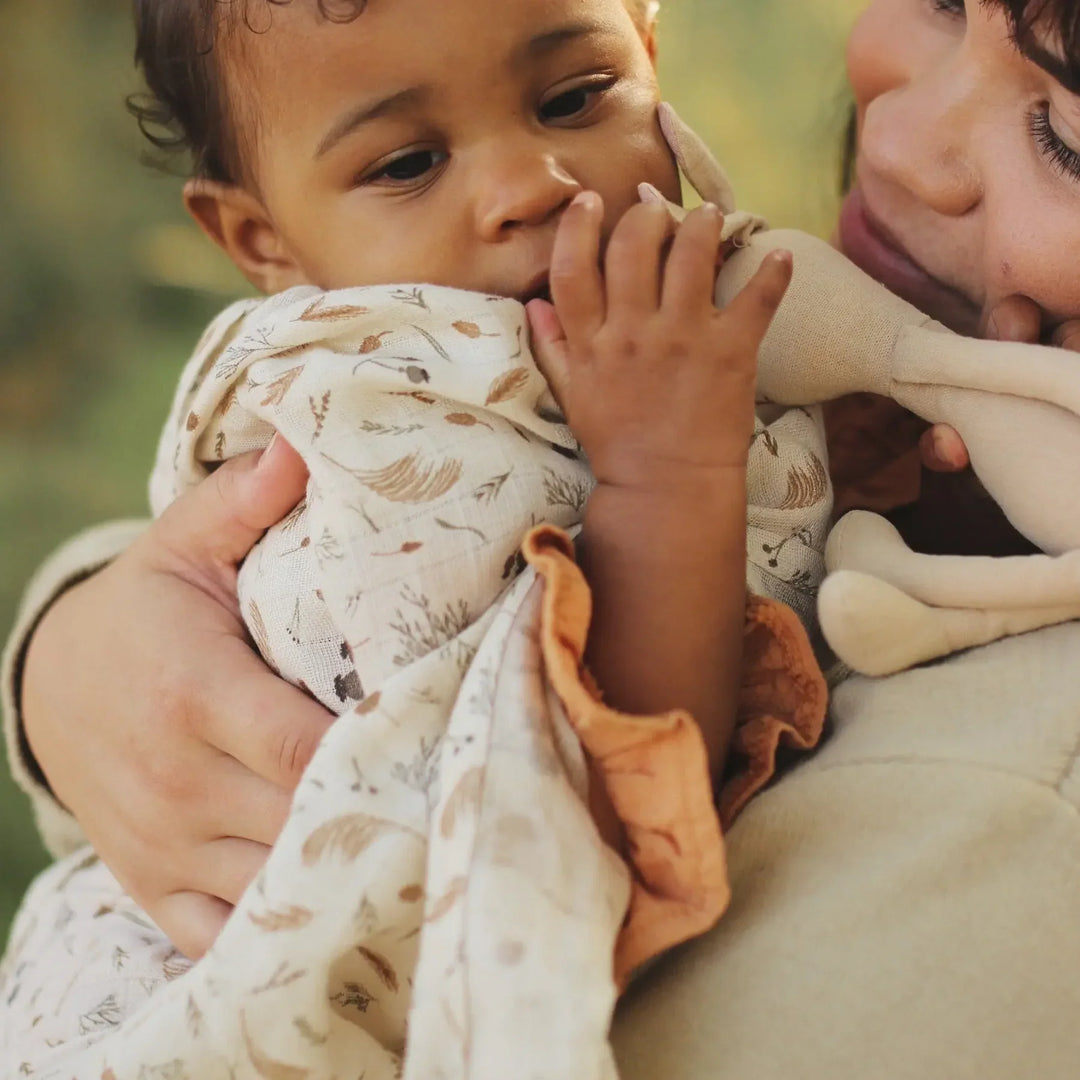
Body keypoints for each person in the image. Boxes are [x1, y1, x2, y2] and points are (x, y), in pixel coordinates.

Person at [8, 0, 1080, 1073]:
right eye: (407, 162)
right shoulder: (392, 398)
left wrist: (677, 474)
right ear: (261, 240)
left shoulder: (1014, 823)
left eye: (574, 99)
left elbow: (583, 796)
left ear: (648, 58)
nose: (532, 185)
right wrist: (69, 653)